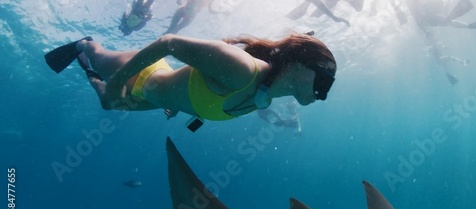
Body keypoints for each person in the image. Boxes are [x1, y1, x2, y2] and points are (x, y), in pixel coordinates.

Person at [44, 33, 336, 125]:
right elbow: (169, 42)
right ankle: (86, 47)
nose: (323, 95)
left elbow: (206, 99)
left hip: (155, 98)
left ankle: (92, 73)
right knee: (103, 80)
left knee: (109, 105)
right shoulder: (243, 71)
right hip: (140, 75)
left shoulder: (264, 95)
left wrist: (181, 104)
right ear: (301, 65)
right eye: (324, 82)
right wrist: (120, 80)